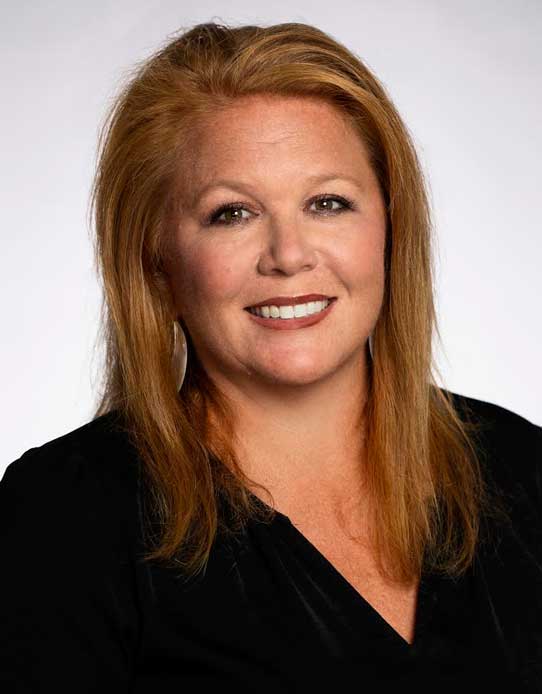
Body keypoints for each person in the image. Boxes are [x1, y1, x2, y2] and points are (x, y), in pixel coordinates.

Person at [1, 20, 540, 694]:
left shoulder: (525, 472)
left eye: (328, 203)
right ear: (158, 264)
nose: (288, 255)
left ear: (391, 231)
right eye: (232, 213)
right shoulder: (63, 517)